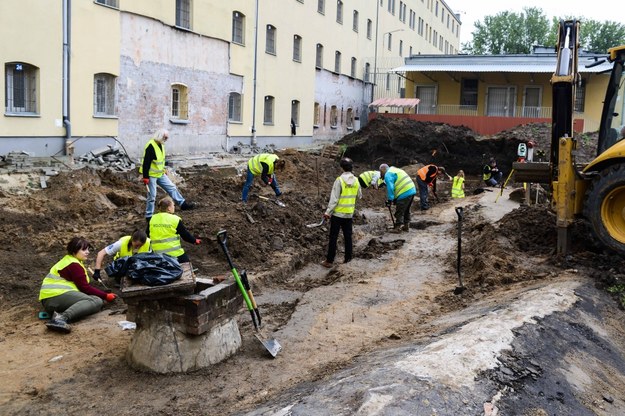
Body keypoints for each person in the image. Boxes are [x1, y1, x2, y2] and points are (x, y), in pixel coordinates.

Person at [39, 237, 117, 333]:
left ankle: (59, 314)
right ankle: (61, 318)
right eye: (84, 250)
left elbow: (83, 288)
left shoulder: (70, 261)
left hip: (51, 298)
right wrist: (105, 296)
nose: (87, 252)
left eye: (88, 249)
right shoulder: (73, 265)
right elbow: (85, 288)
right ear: (74, 250)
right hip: (55, 297)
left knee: (93, 299)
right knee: (95, 301)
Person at [140, 128, 196, 223]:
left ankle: (183, 204)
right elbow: (146, 163)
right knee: (152, 195)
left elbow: (160, 160)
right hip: (151, 175)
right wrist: (145, 177)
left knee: (171, 187)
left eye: (166, 138)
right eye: (165, 138)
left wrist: (163, 169)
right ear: (160, 136)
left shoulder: (160, 145)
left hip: (160, 173)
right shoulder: (151, 146)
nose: (166, 140)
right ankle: (149, 216)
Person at [321, 158, 362, 268]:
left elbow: (334, 199)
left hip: (338, 214)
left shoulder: (339, 180)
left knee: (333, 237)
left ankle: (329, 261)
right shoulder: (356, 180)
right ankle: (348, 259)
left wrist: (327, 212)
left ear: (342, 167)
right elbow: (359, 195)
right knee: (348, 236)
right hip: (349, 213)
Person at [148, 196, 201, 264]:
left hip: (157, 255)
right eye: (173, 205)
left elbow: (148, 234)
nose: (174, 207)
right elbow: (185, 235)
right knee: (186, 266)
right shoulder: (175, 219)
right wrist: (194, 240)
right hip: (174, 254)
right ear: (169, 208)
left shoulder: (152, 219)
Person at [380, 163, 417, 233]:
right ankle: (406, 226)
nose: (381, 174)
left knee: (399, 210)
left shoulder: (388, 174)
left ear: (383, 170)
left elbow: (390, 188)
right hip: (411, 189)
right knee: (406, 210)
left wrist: (390, 200)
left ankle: (398, 227)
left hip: (404, 192)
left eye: (381, 172)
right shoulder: (394, 169)